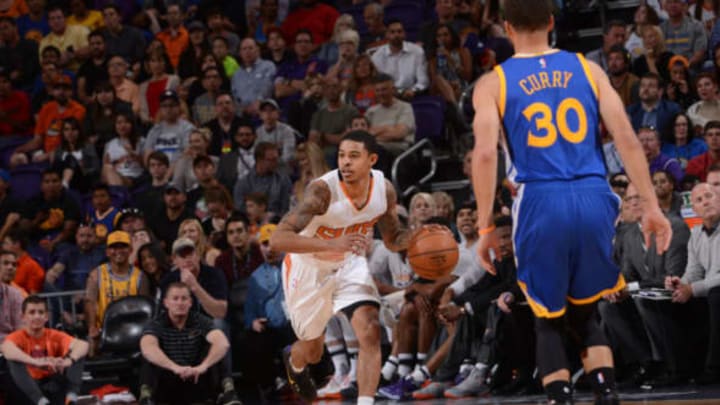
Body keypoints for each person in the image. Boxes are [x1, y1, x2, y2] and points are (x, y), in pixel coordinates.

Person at [469, 1, 673, 404]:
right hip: (596, 194)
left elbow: (486, 155)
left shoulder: (494, 82)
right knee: (586, 311)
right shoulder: (588, 68)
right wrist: (651, 206)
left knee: (547, 317)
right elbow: (628, 140)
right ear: (551, 22)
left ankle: (560, 397)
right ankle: (605, 393)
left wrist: (485, 228)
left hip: (541, 197)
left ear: (507, 28)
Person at [269, 130, 424, 405]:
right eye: (341, 155)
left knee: (370, 327)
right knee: (314, 351)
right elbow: (278, 239)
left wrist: (419, 236)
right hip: (308, 267)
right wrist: (331, 245)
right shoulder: (322, 191)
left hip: (348, 263)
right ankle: (294, 362)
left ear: (372, 159)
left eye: (354, 156)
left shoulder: (383, 190)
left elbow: (392, 239)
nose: (345, 162)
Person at [138, 281, 241, 405]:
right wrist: (174, 368)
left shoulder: (200, 320)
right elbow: (148, 348)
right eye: (175, 299)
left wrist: (203, 366)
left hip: (196, 378)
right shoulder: (156, 323)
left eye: (184, 299)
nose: (180, 303)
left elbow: (223, 343)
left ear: (190, 303)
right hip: (168, 381)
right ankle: (146, 397)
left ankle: (228, 392)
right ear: (166, 303)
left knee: (216, 348)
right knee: (149, 356)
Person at [664, 183, 720, 383]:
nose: (705, 202)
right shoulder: (695, 233)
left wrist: (692, 289)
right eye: (699, 200)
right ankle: (681, 369)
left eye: (709, 196)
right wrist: (680, 283)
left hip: (716, 292)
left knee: (716, 295)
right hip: (708, 289)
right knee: (674, 302)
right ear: (694, 210)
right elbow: (693, 271)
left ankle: (714, 368)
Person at [1, 295, 89, 405]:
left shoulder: (54, 335)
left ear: (46, 316)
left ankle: (71, 397)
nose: (37, 316)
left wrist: (68, 361)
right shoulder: (16, 336)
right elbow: (6, 349)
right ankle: (40, 401)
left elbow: (83, 345)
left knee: (78, 354)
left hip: (51, 383)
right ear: (23, 317)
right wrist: (36, 362)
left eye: (41, 312)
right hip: (27, 387)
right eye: (32, 312)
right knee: (12, 360)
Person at [84, 230, 150, 354]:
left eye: (123, 246)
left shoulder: (140, 276)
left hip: (133, 333)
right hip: (104, 333)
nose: (118, 251)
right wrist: (92, 327)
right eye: (113, 247)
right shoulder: (96, 274)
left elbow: (144, 307)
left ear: (130, 250)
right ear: (107, 252)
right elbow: (90, 301)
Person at [11, 75, 86, 167]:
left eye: (65, 89)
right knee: (16, 158)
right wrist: (20, 149)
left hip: (67, 150)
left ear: (71, 92)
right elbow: (38, 140)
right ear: (52, 91)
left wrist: (47, 155)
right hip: (45, 150)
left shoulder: (78, 110)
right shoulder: (46, 108)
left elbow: (71, 140)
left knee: (54, 157)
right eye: (57, 88)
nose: (61, 92)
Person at [19, 168, 81, 252]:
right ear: (41, 185)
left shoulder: (69, 202)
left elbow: (69, 231)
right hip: (35, 241)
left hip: (60, 242)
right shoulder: (32, 202)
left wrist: (53, 243)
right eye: (47, 182)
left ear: (60, 184)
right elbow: (23, 229)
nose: (51, 185)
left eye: (55, 181)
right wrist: (37, 220)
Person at [370, 19, 429, 100]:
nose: (396, 35)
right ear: (386, 35)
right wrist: (395, 92)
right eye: (392, 32)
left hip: (414, 95)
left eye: (399, 31)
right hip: (389, 96)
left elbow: (423, 81)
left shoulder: (417, 51)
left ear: (404, 34)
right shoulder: (377, 56)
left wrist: (413, 90)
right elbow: (379, 82)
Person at [233, 142, 292, 217]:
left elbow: (286, 208)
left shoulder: (283, 180)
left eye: (277, 159)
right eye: (272, 160)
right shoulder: (243, 183)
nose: (276, 162)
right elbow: (239, 210)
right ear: (259, 160)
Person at [45, 223, 105, 291]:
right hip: (72, 298)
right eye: (82, 236)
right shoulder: (68, 254)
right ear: (76, 237)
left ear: (95, 237)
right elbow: (53, 273)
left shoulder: (102, 255)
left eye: (89, 236)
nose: (85, 240)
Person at [626, 73, 681, 138]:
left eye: (651, 86)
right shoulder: (630, 111)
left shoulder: (672, 110)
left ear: (660, 92)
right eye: (642, 86)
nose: (645, 89)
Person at [231, 37, 276, 117]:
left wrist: (259, 101)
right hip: (243, 114)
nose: (247, 51)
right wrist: (242, 109)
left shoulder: (268, 66)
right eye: (244, 49)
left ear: (257, 50)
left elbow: (268, 86)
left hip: (264, 111)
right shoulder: (236, 74)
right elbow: (235, 96)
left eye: (250, 48)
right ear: (240, 53)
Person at [0, 250, 23, 342]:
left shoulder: (16, 294)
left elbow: (20, 326)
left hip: (10, 344)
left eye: (14, 265)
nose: (10, 268)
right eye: (5, 263)